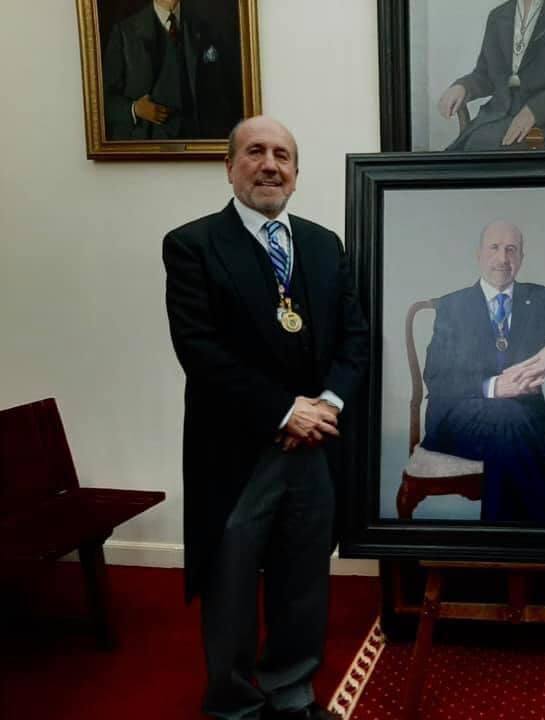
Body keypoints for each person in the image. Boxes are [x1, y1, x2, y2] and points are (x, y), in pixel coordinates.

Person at [163, 115, 368, 720]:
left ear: (298, 175)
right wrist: (284, 410)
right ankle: (233, 706)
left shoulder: (326, 245)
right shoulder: (193, 245)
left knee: (302, 578)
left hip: (314, 446)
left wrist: (326, 405)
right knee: (229, 585)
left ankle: (291, 695)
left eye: (282, 155)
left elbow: (354, 339)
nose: (270, 164)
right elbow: (199, 350)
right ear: (229, 167)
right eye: (254, 152)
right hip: (237, 449)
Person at [420, 220, 545, 522]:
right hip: (456, 420)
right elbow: (437, 376)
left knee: (505, 442)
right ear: (478, 254)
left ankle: (494, 555)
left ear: (521, 258)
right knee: (506, 416)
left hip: (522, 425)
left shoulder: (539, 299)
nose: (503, 258)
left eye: (511, 249)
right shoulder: (453, 306)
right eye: (494, 248)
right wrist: (494, 387)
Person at [437, 0, 545, 150]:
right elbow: (486, 75)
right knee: (469, 153)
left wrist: (535, 110)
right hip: (496, 117)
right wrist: (463, 87)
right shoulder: (497, 16)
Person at [102, 0, 238, 140]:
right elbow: (103, 101)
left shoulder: (203, 28)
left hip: (194, 144)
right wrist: (135, 109)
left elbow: (219, 96)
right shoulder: (124, 32)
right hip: (144, 144)